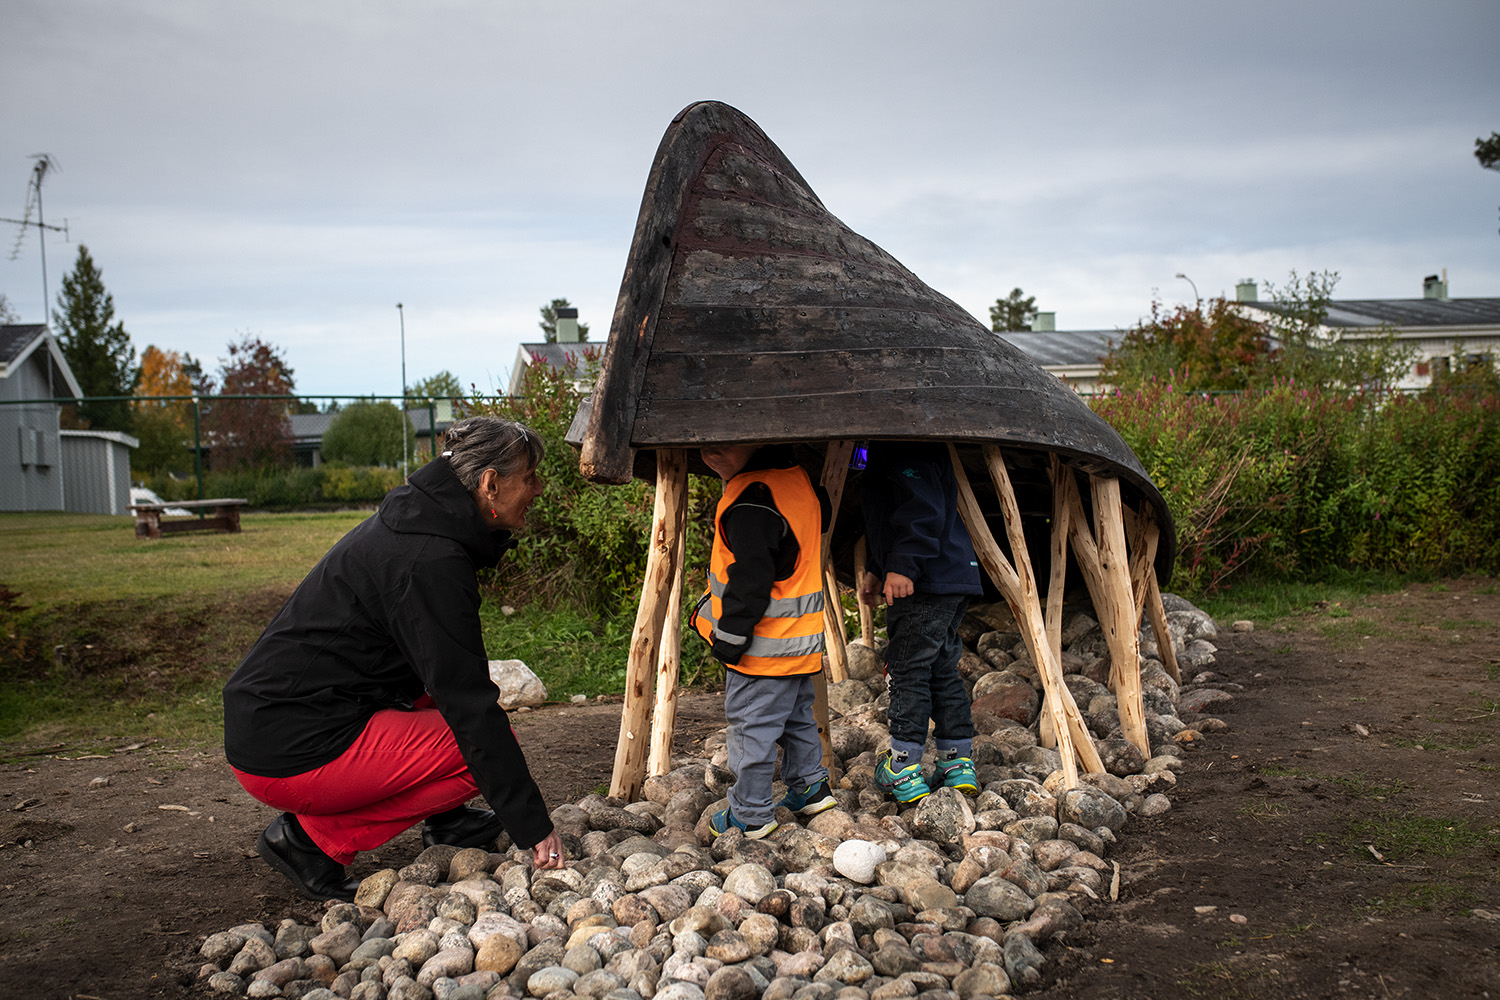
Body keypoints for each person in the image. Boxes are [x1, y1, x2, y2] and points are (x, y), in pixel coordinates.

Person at [223, 417, 566, 901]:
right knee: (475, 749)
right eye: (530, 477)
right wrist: (533, 828)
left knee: (441, 686)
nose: (538, 489)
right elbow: (469, 706)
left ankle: (449, 821)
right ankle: (310, 842)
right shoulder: (429, 558)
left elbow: (438, 670)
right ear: (490, 483)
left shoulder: (422, 521)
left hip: (278, 718)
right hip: (287, 746)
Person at [691, 442, 836, 839]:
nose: (708, 453)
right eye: (701, 446)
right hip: (798, 646)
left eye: (721, 444)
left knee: (751, 730)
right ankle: (809, 787)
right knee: (796, 720)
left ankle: (751, 813)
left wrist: (730, 637)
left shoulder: (754, 500)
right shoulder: (795, 478)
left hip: (761, 649)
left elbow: (750, 578)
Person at [859, 440, 984, 803]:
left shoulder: (904, 443)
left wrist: (902, 565)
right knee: (941, 669)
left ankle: (903, 766)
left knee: (907, 669)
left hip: (925, 580)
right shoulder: (909, 443)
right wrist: (877, 568)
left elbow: (922, 508)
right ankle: (956, 761)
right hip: (950, 576)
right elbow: (891, 516)